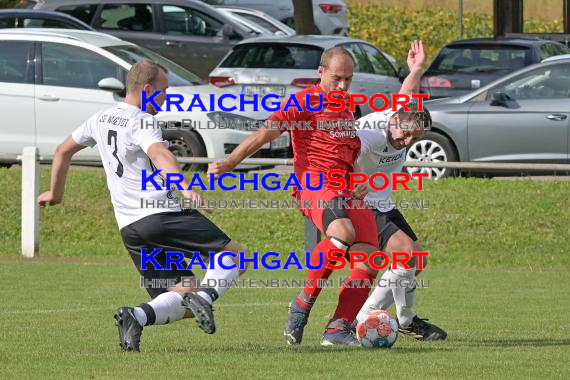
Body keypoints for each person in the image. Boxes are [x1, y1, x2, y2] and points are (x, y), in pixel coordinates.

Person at [37, 60, 247, 352]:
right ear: (147, 89)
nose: (166, 97)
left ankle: (134, 317)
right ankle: (208, 298)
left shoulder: (101, 118)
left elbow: (63, 150)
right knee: (236, 257)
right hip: (162, 213)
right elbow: (161, 154)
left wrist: (55, 193)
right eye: (164, 90)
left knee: (183, 293)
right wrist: (185, 187)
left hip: (132, 229)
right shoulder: (142, 120)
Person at [209, 47, 380, 346]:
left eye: (348, 79)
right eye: (337, 78)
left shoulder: (348, 104)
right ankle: (301, 306)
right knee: (342, 232)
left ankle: (337, 330)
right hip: (315, 183)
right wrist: (231, 162)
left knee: (371, 259)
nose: (342, 86)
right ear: (321, 72)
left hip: (345, 187)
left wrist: (359, 179)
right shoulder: (304, 100)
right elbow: (265, 132)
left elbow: (347, 149)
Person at [355, 40, 447, 341]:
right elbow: (344, 155)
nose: (407, 142)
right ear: (394, 120)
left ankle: (365, 318)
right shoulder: (368, 131)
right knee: (406, 255)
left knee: (417, 259)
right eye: (406, 134)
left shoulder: (402, 115)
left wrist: (417, 69)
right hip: (362, 203)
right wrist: (356, 179)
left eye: (414, 138)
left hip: (383, 202)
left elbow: (406, 94)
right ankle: (403, 321)